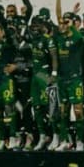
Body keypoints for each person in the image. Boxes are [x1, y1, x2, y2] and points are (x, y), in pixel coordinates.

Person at [51, 0, 84, 151]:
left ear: (72, 24)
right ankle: (64, 140)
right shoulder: (58, 36)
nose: (62, 24)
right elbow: (58, 16)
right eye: (61, 22)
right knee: (63, 112)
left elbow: (69, 24)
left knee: (78, 111)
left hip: (75, 80)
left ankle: (80, 141)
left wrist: (72, 18)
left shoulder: (78, 37)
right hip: (62, 80)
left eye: (66, 22)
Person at [27, 15, 59, 151]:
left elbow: (54, 57)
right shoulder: (34, 40)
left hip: (44, 75)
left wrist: (54, 74)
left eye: (37, 25)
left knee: (51, 106)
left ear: (43, 26)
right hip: (35, 75)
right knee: (37, 107)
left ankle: (56, 135)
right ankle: (42, 136)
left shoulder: (48, 40)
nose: (35, 27)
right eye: (33, 24)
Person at [0, 24, 18, 151]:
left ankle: (12, 138)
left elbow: (20, 59)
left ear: (2, 34)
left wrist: (15, 66)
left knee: (9, 109)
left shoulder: (8, 47)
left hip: (6, 81)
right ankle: (1, 139)